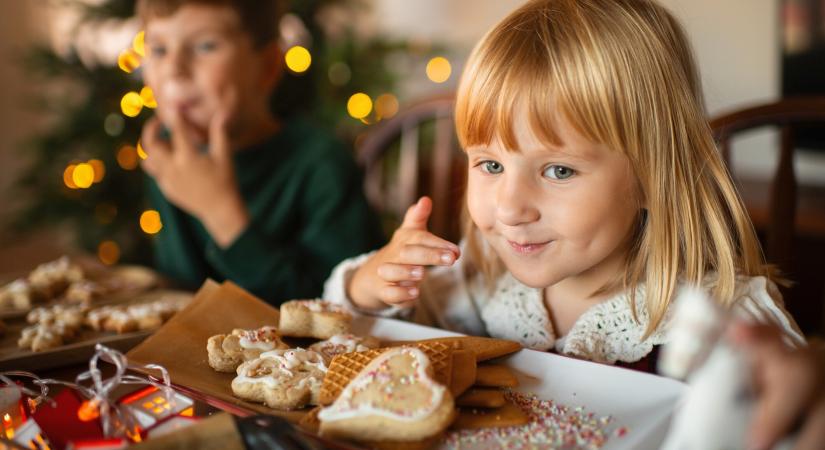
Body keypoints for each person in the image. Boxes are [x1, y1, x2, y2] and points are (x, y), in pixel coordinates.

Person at [323, 0, 804, 370]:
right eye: (490, 165)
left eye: (558, 171)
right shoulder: (478, 281)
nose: (510, 208)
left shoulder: (726, 319)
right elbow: (353, 333)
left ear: (651, 178)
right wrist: (371, 288)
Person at [136, 0, 384, 304]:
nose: (174, 70)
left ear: (267, 66)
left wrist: (221, 213)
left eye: (205, 46)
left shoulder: (322, 164)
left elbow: (339, 308)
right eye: (159, 50)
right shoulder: (168, 153)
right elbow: (180, 294)